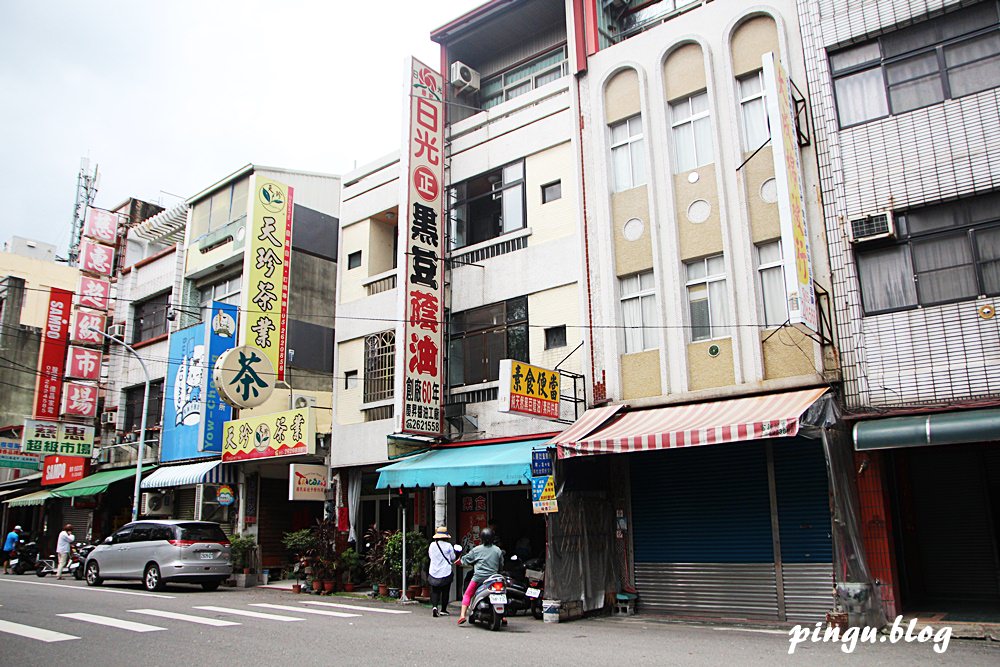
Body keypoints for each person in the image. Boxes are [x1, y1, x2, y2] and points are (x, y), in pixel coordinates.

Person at [456, 526, 503, 625]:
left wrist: (459, 562)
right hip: (493, 578)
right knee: (502, 594)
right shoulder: (498, 550)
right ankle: (503, 617)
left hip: (478, 578)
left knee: (468, 594)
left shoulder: (477, 550)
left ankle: (462, 615)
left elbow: (466, 559)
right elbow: (501, 564)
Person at [427, 526, 456, 618]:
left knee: (435, 591)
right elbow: (453, 558)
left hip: (434, 571)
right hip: (445, 572)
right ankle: (443, 609)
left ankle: (435, 607)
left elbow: (430, 556)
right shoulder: (448, 546)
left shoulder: (432, 545)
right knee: (445, 591)